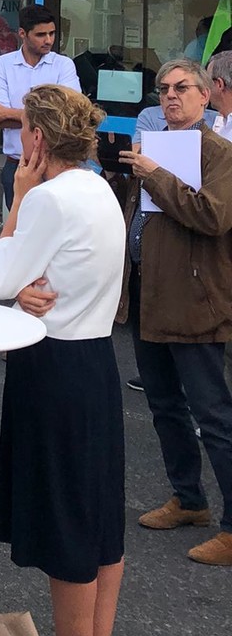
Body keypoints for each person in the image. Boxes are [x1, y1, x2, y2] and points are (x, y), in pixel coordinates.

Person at [0, 84, 126, 636]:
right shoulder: (99, 189)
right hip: (95, 361)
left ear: (36, 139)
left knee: (67, 519)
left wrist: (16, 198)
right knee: (98, 516)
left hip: (53, 366)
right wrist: (25, 288)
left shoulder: (45, 198)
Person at [117, 59, 232, 566]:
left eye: (182, 88)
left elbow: (212, 216)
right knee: (164, 404)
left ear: (205, 96)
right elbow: (138, 218)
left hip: (195, 300)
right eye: (163, 89)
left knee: (213, 413)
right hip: (148, 293)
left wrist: (155, 175)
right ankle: (189, 499)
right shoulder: (155, 147)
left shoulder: (219, 154)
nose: (170, 96)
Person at [0, 4, 81, 215]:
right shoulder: (2, 65)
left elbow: (71, 115)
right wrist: (50, 117)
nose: (48, 40)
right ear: (22, 34)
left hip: (56, 164)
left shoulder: (63, 65)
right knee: (20, 233)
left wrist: (11, 114)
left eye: (52, 33)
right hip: (17, 165)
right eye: (41, 35)